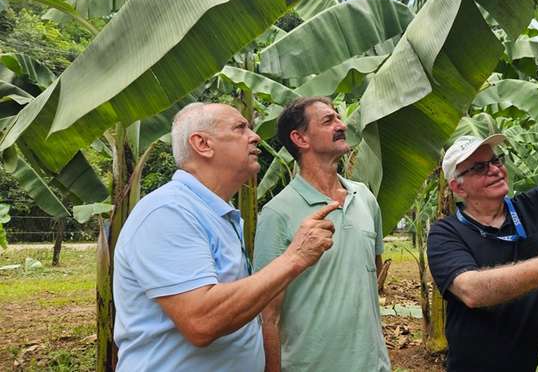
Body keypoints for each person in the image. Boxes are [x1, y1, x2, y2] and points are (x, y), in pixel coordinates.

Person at [113, 102, 338, 371]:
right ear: (202, 144)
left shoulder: (217, 212)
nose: (254, 136)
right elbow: (201, 321)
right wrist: (295, 258)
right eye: (240, 128)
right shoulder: (169, 211)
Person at [427, 134, 538, 372]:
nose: (494, 170)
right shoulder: (446, 233)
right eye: (480, 168)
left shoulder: (533, 206)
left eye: (496, 160)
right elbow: (472, 290)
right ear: (457, 187)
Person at [253, 96, 391, 372]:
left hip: (373, 364)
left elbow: (373, 270)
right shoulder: (277, 213)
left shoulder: (364, 197)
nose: (341, 124)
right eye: (328, 120)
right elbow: (268, 314)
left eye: (338, 117)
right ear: (300, 139)